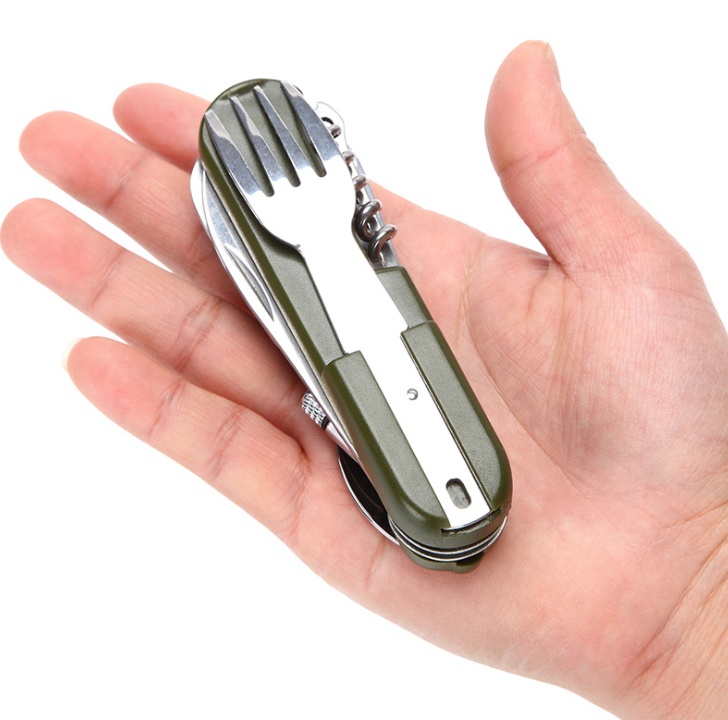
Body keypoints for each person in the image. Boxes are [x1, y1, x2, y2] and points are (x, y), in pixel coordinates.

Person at [2, 41, 726, 720]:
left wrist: (699, 615)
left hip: (443, 477)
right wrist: (696, 620)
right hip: (417, 441)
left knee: (435, 469)